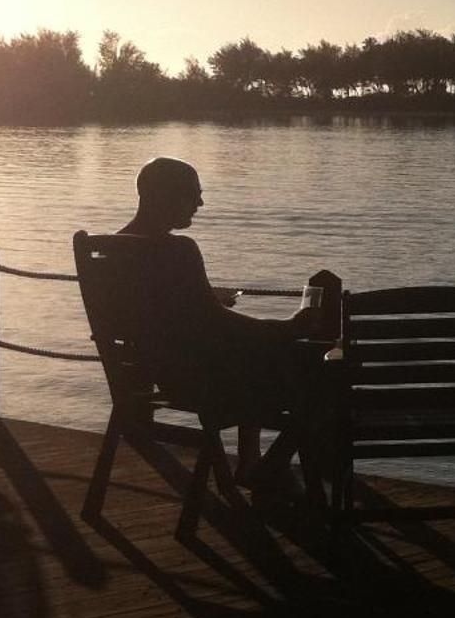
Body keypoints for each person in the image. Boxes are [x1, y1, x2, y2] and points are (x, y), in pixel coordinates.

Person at [112, 156, 330, 486]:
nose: (200, 202)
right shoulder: (178, 251)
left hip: (161, 370)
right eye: (192, 193)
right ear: (163, 195)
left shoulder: (111, 250)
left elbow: (162, 311)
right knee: (315, 377)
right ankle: (270, 470)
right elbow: (219, 324)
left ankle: (253, 463)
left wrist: (203, 297)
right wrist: (288, 327)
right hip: (201, 382)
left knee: (273, 356)